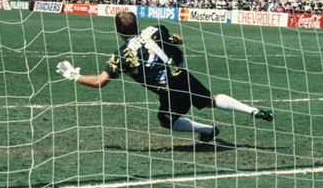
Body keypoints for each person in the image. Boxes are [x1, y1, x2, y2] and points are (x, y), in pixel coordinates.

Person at [57, 11, 273, 143]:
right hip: (182, 76)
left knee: (165, 120)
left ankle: (208, 130)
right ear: (136, 23)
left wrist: (74, 76)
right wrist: (173, 40)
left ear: (117, 30)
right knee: (211, 100)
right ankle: (252, 110)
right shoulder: (154, 30)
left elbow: (99, 82)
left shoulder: (121, 55)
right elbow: (179, 40)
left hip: (169, 90)